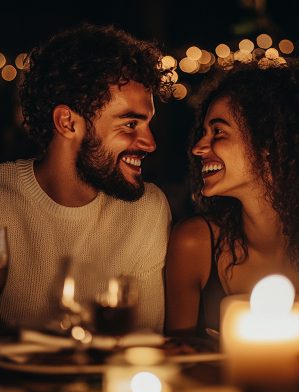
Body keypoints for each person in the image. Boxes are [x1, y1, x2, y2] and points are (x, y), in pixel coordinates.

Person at [165, 54, 299, 337]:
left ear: (268, 144)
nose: (198, 147)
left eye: (218, 132)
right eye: (203, 132)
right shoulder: (195, 244)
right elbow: (179, 358)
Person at [0, 23, 172, 333]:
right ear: (67, 122)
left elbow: (142, 346)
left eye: (147, 124)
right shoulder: (3, 199)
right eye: (130, 124)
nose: (150, 143)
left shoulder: (148, 209)